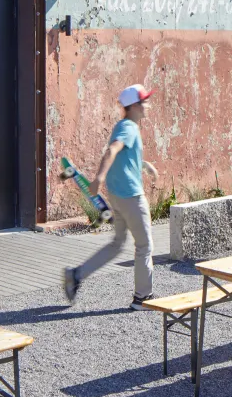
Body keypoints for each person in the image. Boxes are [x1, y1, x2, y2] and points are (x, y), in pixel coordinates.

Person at [61, 84, 160, 310]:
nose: (147, 105)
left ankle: (76, 275)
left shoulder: (124, 126)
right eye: (144, 101)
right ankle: (143, 298)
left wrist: (144, 165)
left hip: (118, 197)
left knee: (117, 244)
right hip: (132, 197)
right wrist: (98, 179)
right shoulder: (129, 128)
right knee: (144, 246)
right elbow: (112, 151)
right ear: (134, 105)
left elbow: (125, 156)